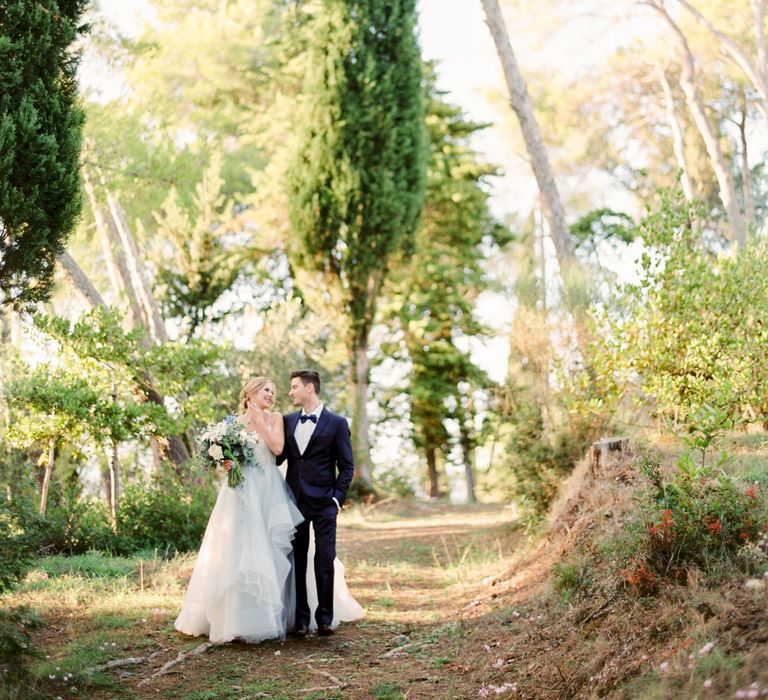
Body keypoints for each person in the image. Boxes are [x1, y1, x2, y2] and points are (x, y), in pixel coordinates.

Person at [174, 377, 304, 644]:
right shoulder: (231, 424)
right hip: (240, 489)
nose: (272, 395)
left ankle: (267, 616)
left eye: (274, 392)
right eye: (267, 390)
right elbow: (222, 456)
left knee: (268, 549)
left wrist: (259, 422)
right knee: (235, 549)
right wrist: (227, 463)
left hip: (268, 487)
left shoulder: (275, 417)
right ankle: (234, 619)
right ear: (250, 393)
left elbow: (278, 449)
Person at [278, 369, 357, 637]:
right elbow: (276, 457)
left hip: (325, 502)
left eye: (294, 387)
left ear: (309, 388)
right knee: (297, 561)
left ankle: (324, 618)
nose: (290, 392)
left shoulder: (336, 423)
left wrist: (337, 498)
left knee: (324, 559)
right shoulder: (287, 421)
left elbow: (346, 465)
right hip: (295, 501)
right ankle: (300, 620)